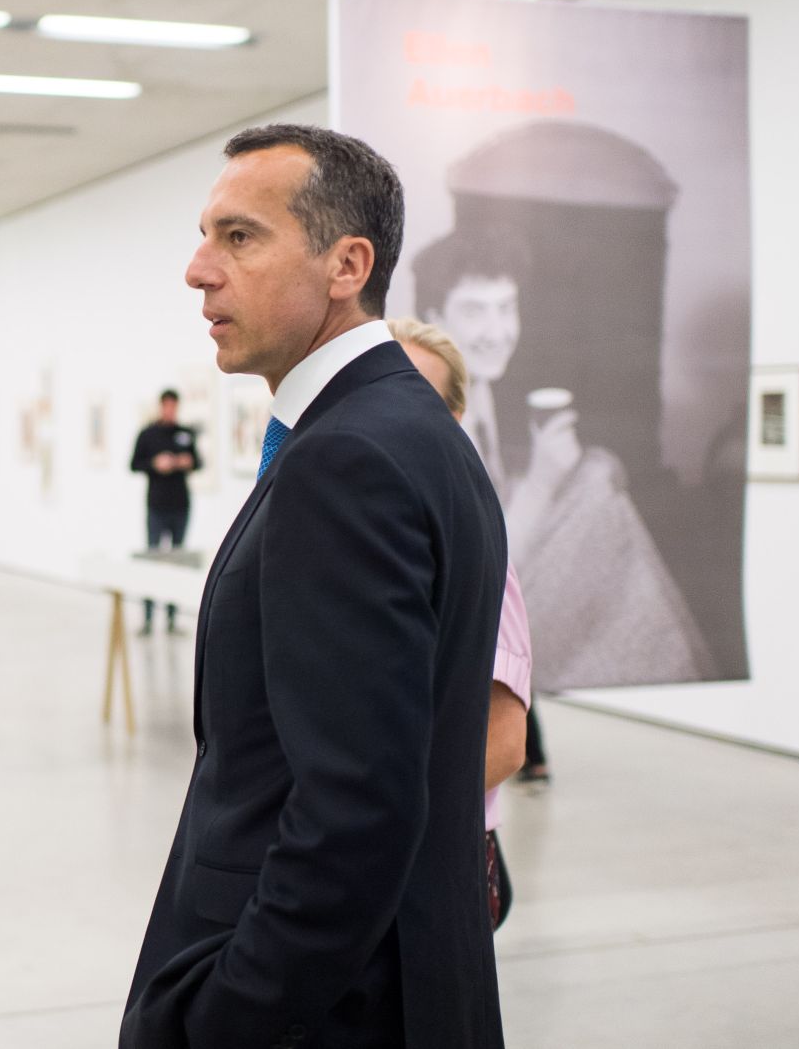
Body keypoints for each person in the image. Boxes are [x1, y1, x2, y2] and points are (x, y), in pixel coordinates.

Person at [122, 124, 507, 1048]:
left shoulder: (347, 459)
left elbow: (357, 809)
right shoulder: (408, 430)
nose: (198, 269)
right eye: (205, 234)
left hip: (331, 1011)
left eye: (239, 236)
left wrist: (226, 1012)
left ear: (348, 264)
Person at [413, 226, 709, 689]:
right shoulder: (427, 409)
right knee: (597, 501)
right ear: (434, 317)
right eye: (474, 312)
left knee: (595, 473)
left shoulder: (477, 387)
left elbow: (483, 494)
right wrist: (544, 482)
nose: (497, 332)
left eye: (506, 308)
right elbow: (471, 568)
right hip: (462, 619)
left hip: (494, 588)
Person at [389, 317, 533, 930]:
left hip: (438, 854)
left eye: (415, 399)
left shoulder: (472, 550)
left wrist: (370, 820)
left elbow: (503, 741)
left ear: (452, 421)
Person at [129, 388, 201, 634]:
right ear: (161, 406)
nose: (170, 410)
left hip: (180, 505)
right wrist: (155, 464)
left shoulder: (185, 433)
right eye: (167, 406)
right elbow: (134, 464)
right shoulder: (148, 434)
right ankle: (148, 618)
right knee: (152, 559)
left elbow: (198, 461)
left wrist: (186, 462)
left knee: (177, 561)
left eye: (174, 406)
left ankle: (171, 618)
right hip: (156, 507)